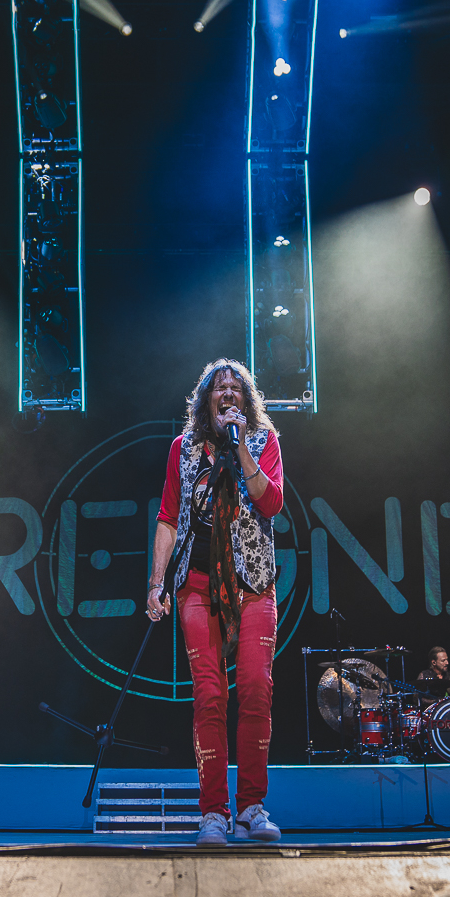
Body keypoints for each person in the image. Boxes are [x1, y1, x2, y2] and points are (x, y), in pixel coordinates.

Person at [147, 358, 284, 847]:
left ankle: (251, 806)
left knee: (255, 687)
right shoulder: (182, 450)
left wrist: (242, 447)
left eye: (236, 387)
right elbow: (167, 517)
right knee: (208, 694)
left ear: (246, 402)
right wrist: (156, 583)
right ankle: (213, 813)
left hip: (252, 583)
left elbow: (271, 503)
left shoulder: (265, 444)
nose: (228, 393)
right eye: (218, 388)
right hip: (197, 585)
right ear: (206, 401)